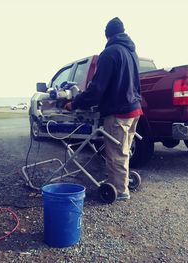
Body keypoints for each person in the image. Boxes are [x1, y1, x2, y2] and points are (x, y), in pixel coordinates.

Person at [64, 17, 142, 201]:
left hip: (119, 111)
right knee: (124, 150)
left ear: (107, 35)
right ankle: (122, 180)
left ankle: (120, 190)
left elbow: (97, 88)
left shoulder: (110, 53)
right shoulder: (132, 53)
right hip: (134, 109)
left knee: (116, 153)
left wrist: (74, 103)